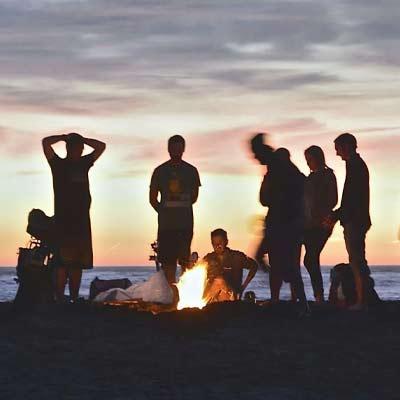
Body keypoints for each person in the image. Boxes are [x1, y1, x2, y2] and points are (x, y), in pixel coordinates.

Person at [42, 133, 106, 302]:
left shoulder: (84, 163)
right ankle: (59, 297)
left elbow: (101, 146)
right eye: (77, 147)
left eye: (81, 148)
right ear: (69, 148)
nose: (80, 150)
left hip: (82, 221)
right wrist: (64, 137)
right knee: (62, 263)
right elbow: (45, 143)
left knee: (78, 263)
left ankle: (74, 298)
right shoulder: (58, 164)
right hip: (63, 221)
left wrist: (83, 139)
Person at [250, 133, 309, 314]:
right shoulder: (277, 166)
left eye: (255, 153)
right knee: (280, 263)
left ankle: (299, 304)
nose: (254, 157)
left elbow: (267, 198)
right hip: (284, 221)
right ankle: (292, 301)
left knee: (285, 265)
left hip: (284, 222)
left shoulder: (277, 165)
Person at [324, 133, 372, 311]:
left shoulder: (356, 166)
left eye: (338, 149)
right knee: (358, 261)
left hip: (355, 220)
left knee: (356, 261)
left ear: (347, 146)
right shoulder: (355, 165)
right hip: (355, 219)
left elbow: (351, 198)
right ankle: (364, 299)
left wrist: (337, 215)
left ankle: (362, 301)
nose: (337, 153)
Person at [149, 135, 201, 284]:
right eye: (173, 148)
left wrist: (178, 207)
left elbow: (195, 197)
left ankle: (184, 294)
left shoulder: (191, 171)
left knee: (185, 261)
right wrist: (165, 212)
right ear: (168, 149)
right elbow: (152, 199)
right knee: (167, 262)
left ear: (183, 149)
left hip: (185, 225)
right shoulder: (159, 171)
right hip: (166, 226)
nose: (176, 151)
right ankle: (171, 294)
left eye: (179, 148)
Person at [303, 145, 338, 303]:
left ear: (318, 158)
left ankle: (319, 296)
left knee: (310, 258)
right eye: (307, 160)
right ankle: (317, 296)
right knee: (310, 258)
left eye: (310, 159)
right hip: (308, 224)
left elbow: (333, 199)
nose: (308, 163)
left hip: (322, 223)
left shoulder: (327, 175)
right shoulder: (309, 178)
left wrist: (321, 213)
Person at [203, 229, 258, 300]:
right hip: (211, 299)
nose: (217, 246)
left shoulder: (237, 257)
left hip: (231, 298)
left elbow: (254, 266)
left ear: (226, 241)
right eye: (214, 243)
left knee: (219, 281)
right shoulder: (208, 258)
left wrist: (243, 286)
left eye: (220, 242)